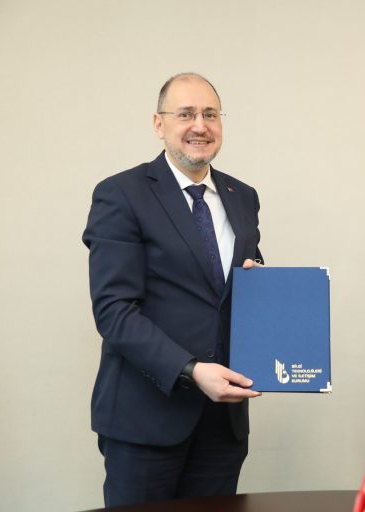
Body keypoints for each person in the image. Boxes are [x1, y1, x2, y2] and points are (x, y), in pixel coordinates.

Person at [82, 72, 263, 507]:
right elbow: (114, 311)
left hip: (223, 423)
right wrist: (191, 370)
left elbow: (233, 289)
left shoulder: (242, 196)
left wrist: (260, 283)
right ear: (158, 124)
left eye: (210, 114)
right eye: (185, 114)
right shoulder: (121, 194)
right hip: (146, 417)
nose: (200, 125)